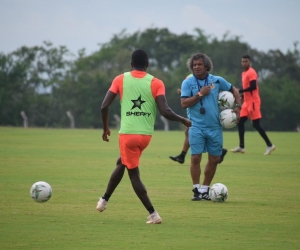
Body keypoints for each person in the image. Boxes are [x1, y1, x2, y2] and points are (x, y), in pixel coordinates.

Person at [96, 49, 191, 224]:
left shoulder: (120, 79)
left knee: (133, 174)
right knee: (122, 162)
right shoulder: (156, 82)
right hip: (145, 137)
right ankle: (104, 200)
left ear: (131, 65)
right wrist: (183, 119)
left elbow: (104, 106)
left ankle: (153, 214)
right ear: (147, 65)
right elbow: (165, 111)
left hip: (128, 134)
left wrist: (105, 128)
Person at [180, 53, 241, 201]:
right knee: (196, 158)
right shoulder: (188, 83)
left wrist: (238, 106)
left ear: (206, 66)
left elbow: (234, 90)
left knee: (214, 159)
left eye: (199, 64)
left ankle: (205, 189)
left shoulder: (217, 80)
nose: (196, 67)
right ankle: (196, 190)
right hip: (196, 126)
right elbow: (184, 103)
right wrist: (200, 94)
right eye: (194, 65)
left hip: (214, 127)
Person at [169, 82, 227, 165]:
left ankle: (182, 156)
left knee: (192, 133)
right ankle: (182, 156)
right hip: (193, 114)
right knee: (188, 133)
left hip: (197, 117)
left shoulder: (194, 81)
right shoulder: (189, 82)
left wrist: (182, 92)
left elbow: (197, 93)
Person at [230, 55, 275, 155]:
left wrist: (239, 91)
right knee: (240, 122)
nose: (244, 63)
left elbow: (253, 87)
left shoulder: (251, 72)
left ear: (249, 62)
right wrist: (242, 97)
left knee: (256, 124)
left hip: (254, 102)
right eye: (242, 61)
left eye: (246, 61)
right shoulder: (244, 73)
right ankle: (241, 146)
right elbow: (247, 88)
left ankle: (270, 145)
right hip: (247, 102)